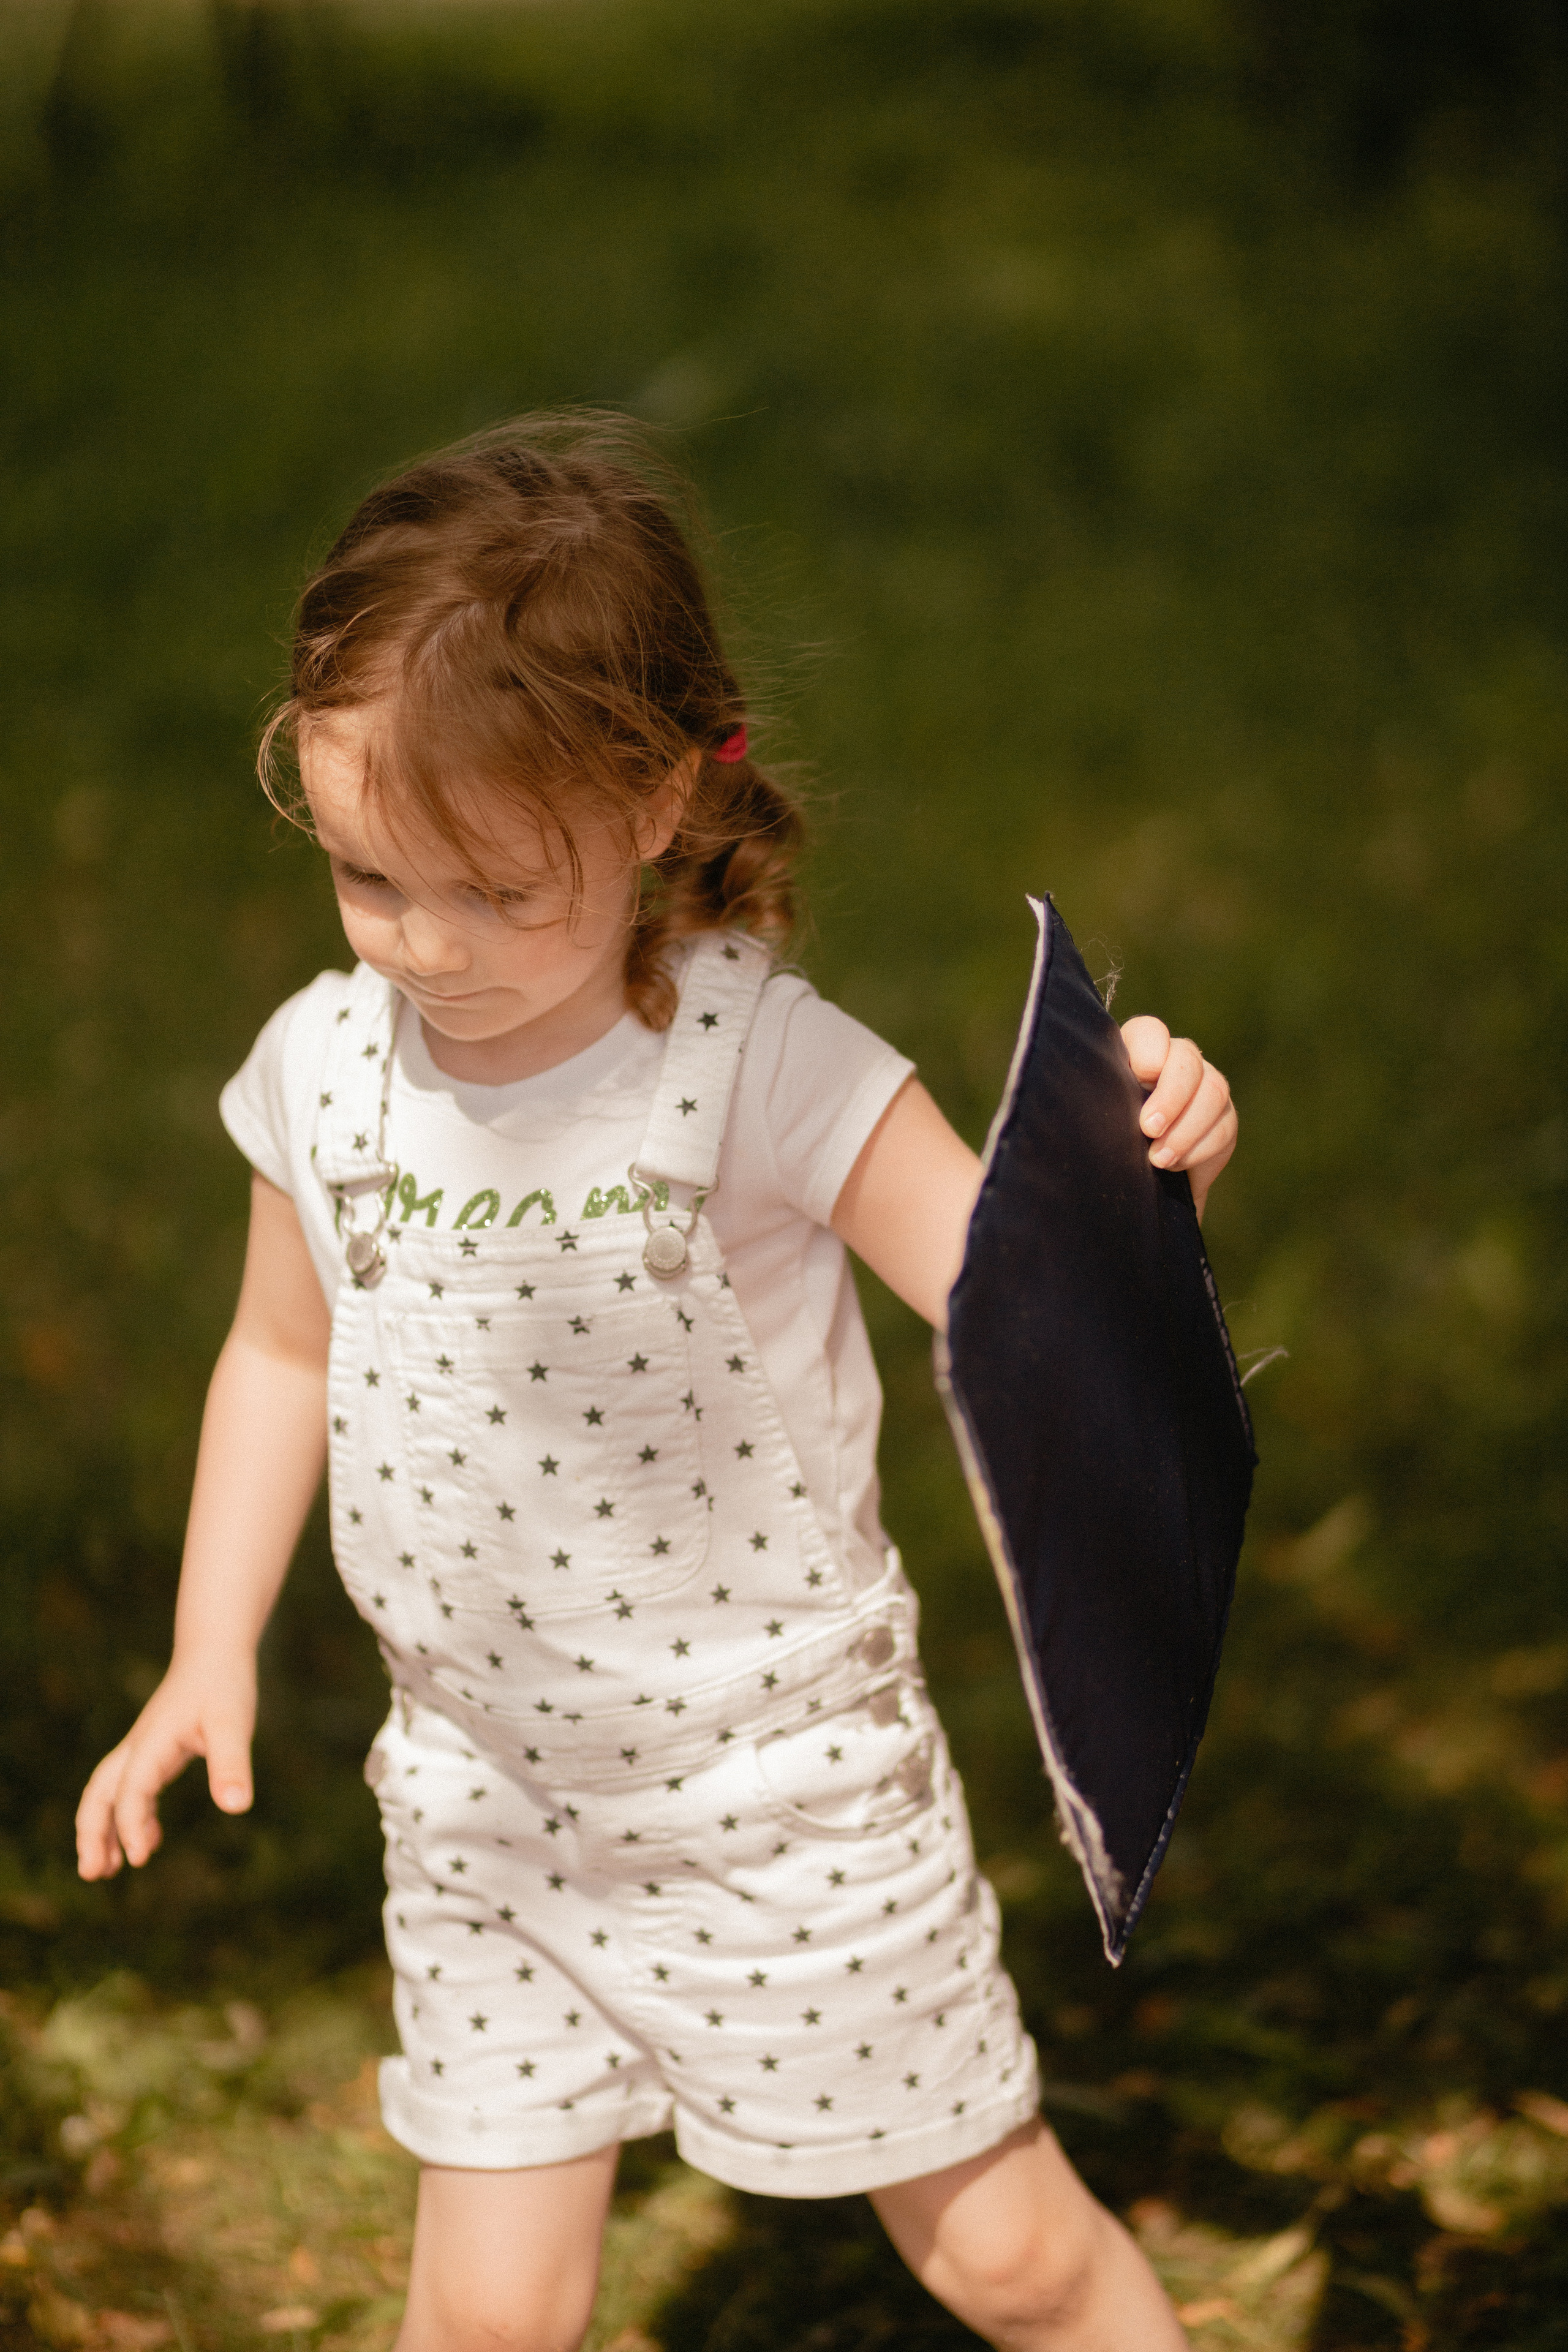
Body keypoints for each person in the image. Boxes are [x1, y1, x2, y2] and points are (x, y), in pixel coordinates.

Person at [76, 418, 1236, 2351]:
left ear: (644, 808)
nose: (427, 951)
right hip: (482, 1800)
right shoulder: (323, 1067)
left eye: (494, 892)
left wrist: (1161, 1157)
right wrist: (210, 1650)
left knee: (1012, 2260)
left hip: (782, 1806)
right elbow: (282, 1347)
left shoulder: (757, 1067)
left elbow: (1027, 1304)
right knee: (485, 2321)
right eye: (370, 878)